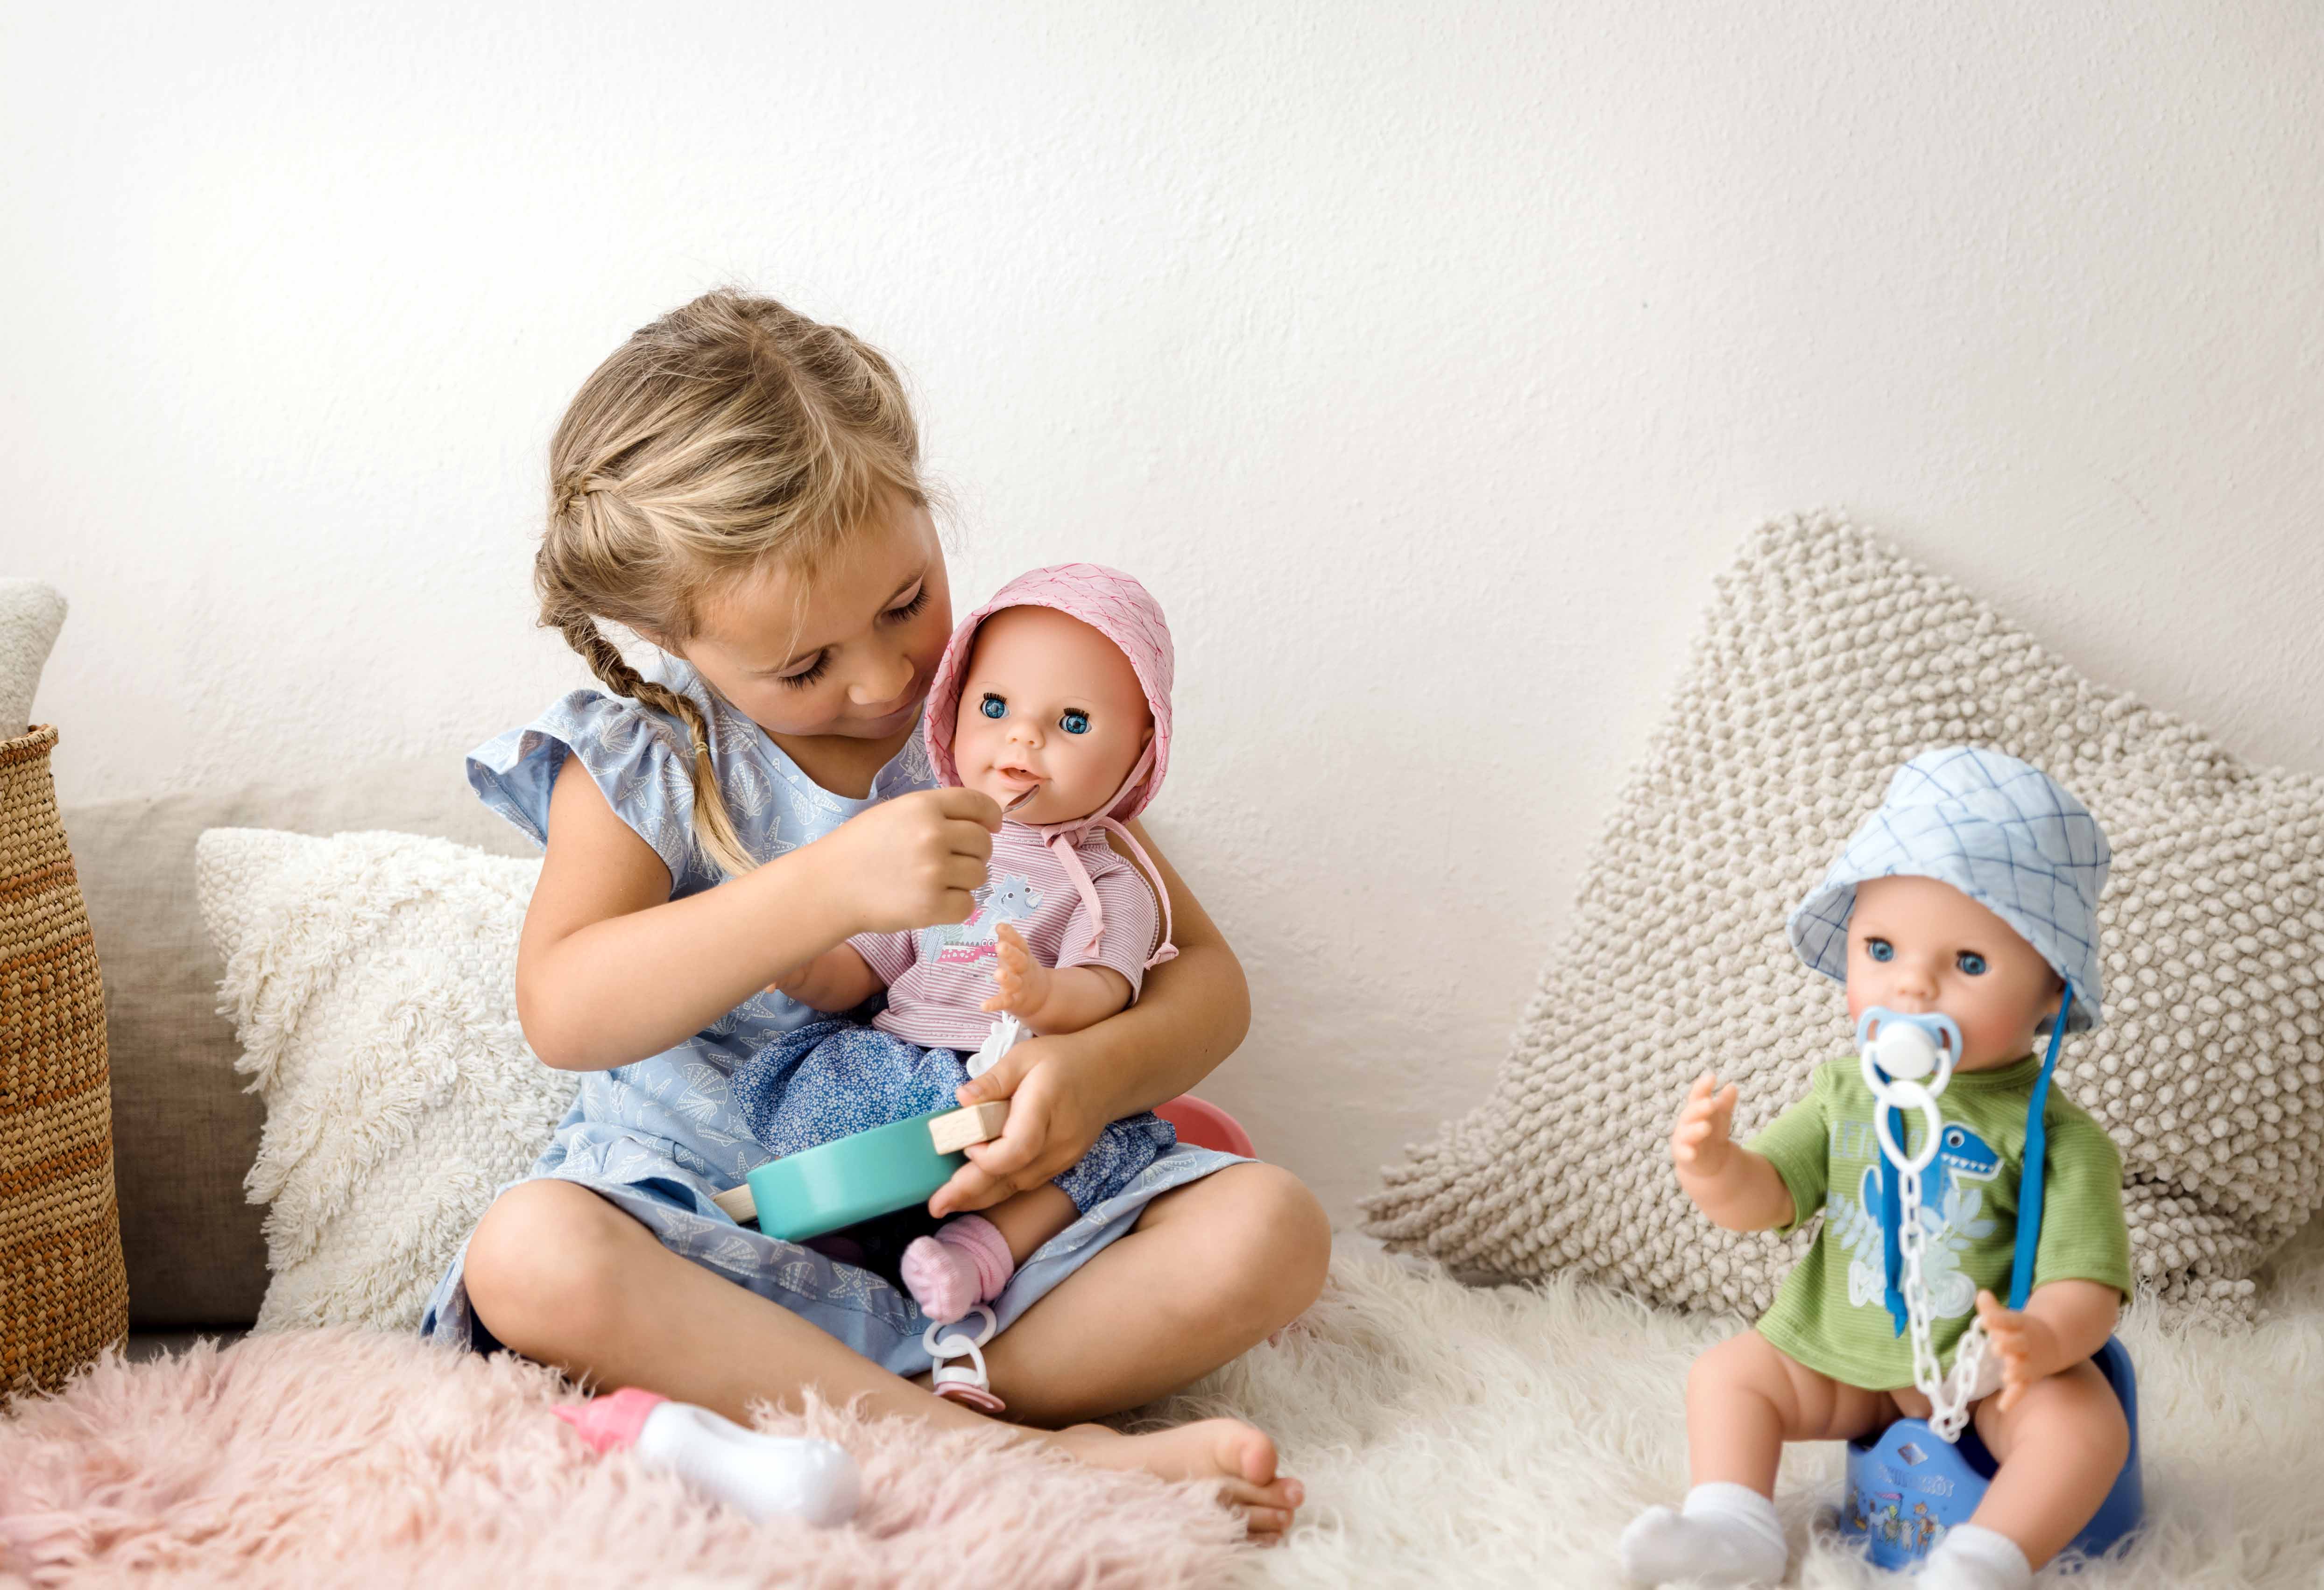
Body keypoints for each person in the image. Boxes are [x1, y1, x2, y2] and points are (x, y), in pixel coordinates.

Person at [420, 289, 1326, 1538]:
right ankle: (1008, 1455)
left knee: (1270, 1227)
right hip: (718, 1230)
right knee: (528, 1252)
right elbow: (564, 1008)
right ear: (664, 632)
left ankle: (902, 1402)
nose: (887, 677)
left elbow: (1206, 982)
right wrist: (826, 886)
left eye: (906, 601)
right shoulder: (646, 758)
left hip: (987, 1230)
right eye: (804, 664)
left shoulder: (996, 717)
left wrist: (1098, 1071)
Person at [1622, 748, 2132, 1590]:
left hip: (1981, 1380)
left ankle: (1982, 1559)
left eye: (1968, 963)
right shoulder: (1844, 1092)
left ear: (2052, 992)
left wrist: (2038, 1338)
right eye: (1882, 948)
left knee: (2083, 1426)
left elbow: (2089, 1285)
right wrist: (1714, 1166)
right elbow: (1767, 1198)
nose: (1911, 987)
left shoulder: (2058, 1138)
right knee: (1726, 1376)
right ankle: (1733, 1528)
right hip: (1842, 1359)